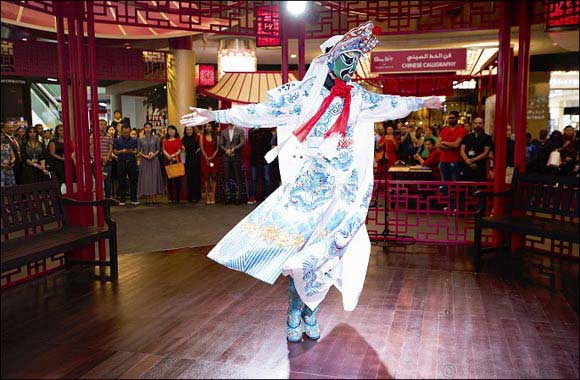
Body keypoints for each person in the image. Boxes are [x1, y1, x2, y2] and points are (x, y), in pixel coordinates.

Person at [181, 22, 441, 343]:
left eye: (355, 60)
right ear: (329, 58)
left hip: (344, 190)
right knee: (301, 254)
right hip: (311, 186)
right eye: (346, 58)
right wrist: (215, 117)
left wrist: (420, 102)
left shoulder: (357, 98)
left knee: (330, 254)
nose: (351, 66)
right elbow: (261, 112)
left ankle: (311, 312)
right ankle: (294, 311)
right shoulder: (303, 95)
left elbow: (389, 104)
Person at [137, 122, 164, 202]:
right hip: (145, 161)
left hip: (154, 160)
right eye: (146, 127)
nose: (148, 129)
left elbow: (158, 149)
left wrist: (153, 155)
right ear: (144, 129)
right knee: (146, 178)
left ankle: (154, 197)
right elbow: (138, 151)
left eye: (149, 127)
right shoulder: (140, 138)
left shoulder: (156, 138)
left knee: (154, 178)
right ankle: (147, 198)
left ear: (152, 128)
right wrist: (145, 156)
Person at [219, 123, 245, 204]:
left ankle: (238, 198)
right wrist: (226, 150)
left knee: (238, 177)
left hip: (236, 157)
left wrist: (233, 149)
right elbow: (221, 144)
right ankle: (228, 197)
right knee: (226, 177)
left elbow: (242, 142)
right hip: (226, 157)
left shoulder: (240, 130)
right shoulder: (223, 131)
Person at [460, 117, 492, 182]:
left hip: (480, 166)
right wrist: (467, 160)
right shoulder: (467, 136)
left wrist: (473, 160)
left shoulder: (487, 138)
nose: (478, 125)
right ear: (473, 125)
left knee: (479, 188)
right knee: (466, 186)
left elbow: (485, 153)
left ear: (483, 125)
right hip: (467, 166)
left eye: (480, 123)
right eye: (476, 123)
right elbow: (462, 151)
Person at [113, 125, 139, 206]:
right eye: (124, 132)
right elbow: (115, 151)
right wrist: (122, 151)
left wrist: (132, 151)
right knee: (121, 181)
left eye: (128, 132)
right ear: (121, 131)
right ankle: (122, 199)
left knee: (133, 181)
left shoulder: (134, 140)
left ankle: (134, 199)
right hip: (121, 162)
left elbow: (136, 151)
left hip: (131, 162)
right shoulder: (117, 140)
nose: (126, 134)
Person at [438, 110, 466, 181]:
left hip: (455, 160)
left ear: (457, 118)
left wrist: (444, 143)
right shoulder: (444, 130)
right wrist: (450, 145)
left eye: (453, 118)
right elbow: (438, 144)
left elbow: (456, 144)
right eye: (449, 118)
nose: (451, 119)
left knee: (455, 183)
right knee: (444, 183)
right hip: (443, 160)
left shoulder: (461, 130)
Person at [248, 127, 273, 204]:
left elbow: (268, 140)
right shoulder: (252, 131)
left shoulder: (267, 131)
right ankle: (253, 197)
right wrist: (256, 129)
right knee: (254, 179)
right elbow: (251, 139)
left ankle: (267, 196)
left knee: (267, 178)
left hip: (265, 158)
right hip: (255, 158)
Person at [162, 125, 183, 203]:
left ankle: (177, 198)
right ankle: (171, 198)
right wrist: (168, 156)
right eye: (170, 130)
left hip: (176, 161)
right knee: (169, 181)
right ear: (167, 132)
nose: (171, 131)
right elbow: (163, 150)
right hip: (168, 162)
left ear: (175, 131)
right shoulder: (165, 141)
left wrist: (173, 155)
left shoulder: (178, 140)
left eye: (173, 130)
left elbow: (180, 150)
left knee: (177, 181)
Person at [200, 123, 219, 204]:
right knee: (206, 178)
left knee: (214, 177)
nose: (207, 127)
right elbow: (201, 148)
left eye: (209, 126)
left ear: (212, 127)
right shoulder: (202, 136)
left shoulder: (216, 137)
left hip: (214, 159)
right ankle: (207, 196)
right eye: (206, 126)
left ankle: (213, 197)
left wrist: (211, 157)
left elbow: (217, 149)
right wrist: (206, 157)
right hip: (205, 159)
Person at [182, 125, 202, 203]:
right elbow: (183, 151)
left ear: (193, 130)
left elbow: (200, 148)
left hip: (196, 160)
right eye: (187, 130)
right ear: (185, 131)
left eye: (190, 129)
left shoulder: (197, 138)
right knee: (189, 179)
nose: (189, 131)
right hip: (187, 160)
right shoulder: (183, 139)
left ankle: (197, 196)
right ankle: (190, 196)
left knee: (196, 178)